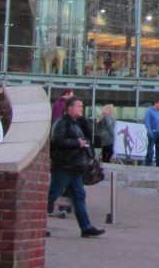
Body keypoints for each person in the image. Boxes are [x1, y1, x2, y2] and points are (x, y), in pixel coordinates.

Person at [47, 96, 105, 238]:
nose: (81, 109)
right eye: (79, 106)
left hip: (74, 168)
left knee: (79, 197)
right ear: (69, 108)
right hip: (64, 167)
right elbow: (56, 140)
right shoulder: (61, 123)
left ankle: (86, 227)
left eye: (82, 106)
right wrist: (76, 143)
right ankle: (35, 225)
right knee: (51, 197)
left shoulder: (75, 124)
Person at [143, 99, 159, 167]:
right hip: (153, 132)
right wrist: (150, 132)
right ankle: (148, 162)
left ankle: (158, 162)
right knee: (151, 147)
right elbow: (147, 122)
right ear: (155, 103)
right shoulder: (149, 111)